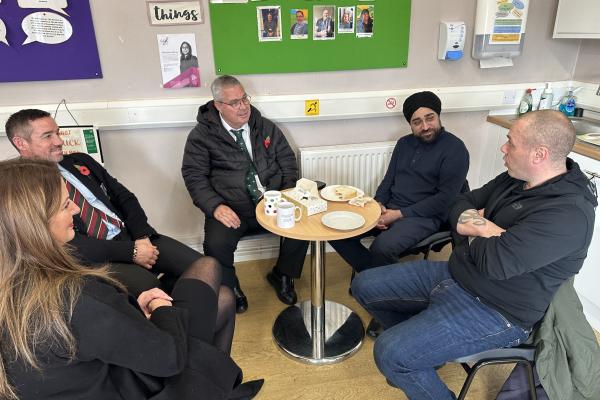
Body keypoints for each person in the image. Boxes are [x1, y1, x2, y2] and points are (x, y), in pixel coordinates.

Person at [351, 110, 597, 400]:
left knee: (391, 353)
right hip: (457, 274)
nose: (503, 148)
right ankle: (425, 353)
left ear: (538, 154)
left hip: (498, 310)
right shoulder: (515, 178)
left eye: (511, 143)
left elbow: (494, 263)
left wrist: (470, 229)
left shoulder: (568, 214)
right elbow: (460, 201)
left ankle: (411, 357)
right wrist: (486, 229)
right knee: (363, 284)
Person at [0, 158, 264, 400]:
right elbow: (167, 358)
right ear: (34, 225)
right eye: (64, 204)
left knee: (220, 295)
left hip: (92, 373)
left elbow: (92, 333)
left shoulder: (18, 284)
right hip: (133, 385)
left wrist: (130, 309)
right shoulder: (76, 296)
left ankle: (214, 387)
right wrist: (161, 308)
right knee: (217, 289)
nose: (76, 209)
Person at [5, 109, 209, 301]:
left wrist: (141, 238)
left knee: (204, 268)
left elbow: (125, 197)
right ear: (21, 143)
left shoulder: (80, 161)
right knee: (152, 289)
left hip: (131, 236)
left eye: (58, 133)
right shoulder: (22, 188)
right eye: (48, 136)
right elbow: (63, 243)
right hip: (96, 257)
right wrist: (132, 252)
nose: (59, 141)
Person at [182, 75, 309, 313]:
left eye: (244, 99)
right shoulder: (201, 137)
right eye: (234, 103)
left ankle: (282, 275)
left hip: (271, 200)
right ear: (218, 105)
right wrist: (216, 207)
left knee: (301, 227)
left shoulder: (265, 126)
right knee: (215, 244)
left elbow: (287, 160)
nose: (243, 107)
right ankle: (231, 288)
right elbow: (194, 177)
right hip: (232, 207)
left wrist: (287, 192)